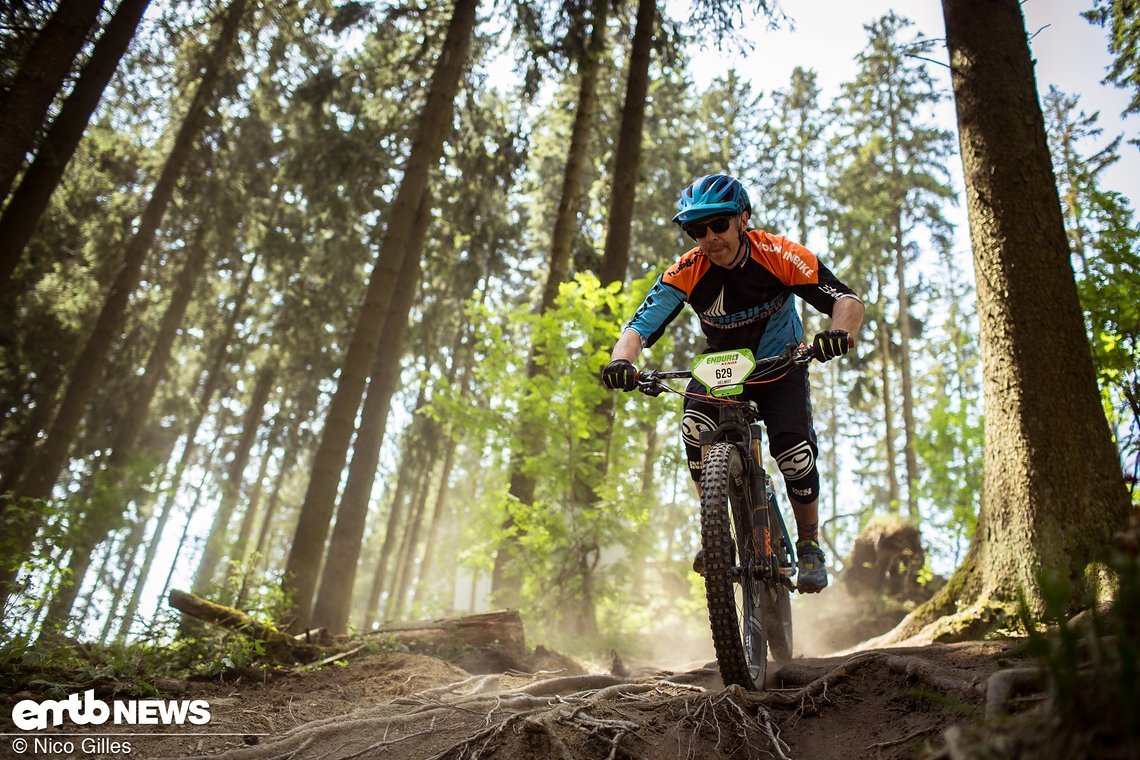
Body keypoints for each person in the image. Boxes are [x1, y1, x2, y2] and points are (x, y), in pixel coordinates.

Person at [601, 174, 864, 593]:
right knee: (693, 427)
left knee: (793, 451)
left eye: (718, 224)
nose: (709, 237)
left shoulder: (777, 253)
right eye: (696, 229)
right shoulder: (687, 270)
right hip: (721, 371)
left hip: (779, 366)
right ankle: (716, 531)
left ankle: (810, 541)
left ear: (743, 218)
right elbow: (638, 327)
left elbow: (845, 300)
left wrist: (840, 333)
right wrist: (620, 361)